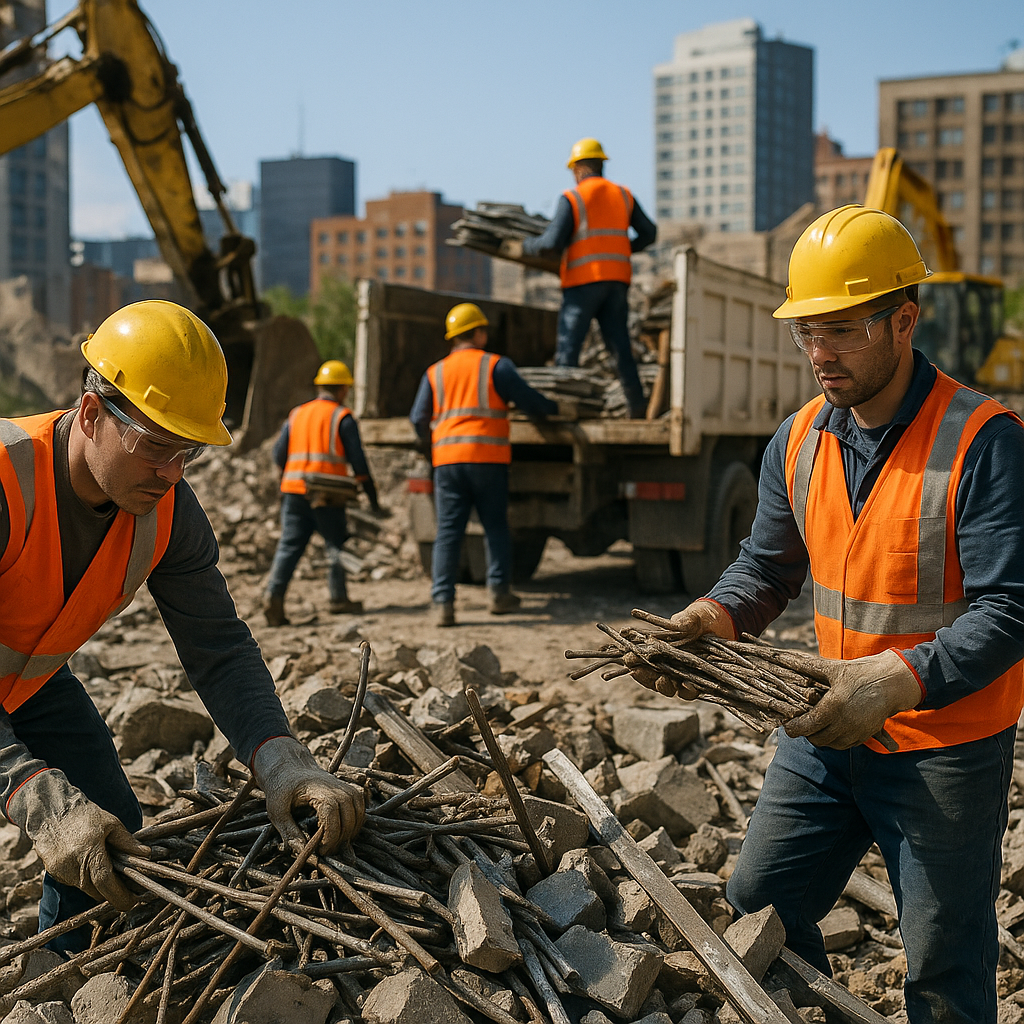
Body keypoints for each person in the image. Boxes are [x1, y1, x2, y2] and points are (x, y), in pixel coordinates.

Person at [629, 206, 1024, 1024]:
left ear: (904, 319)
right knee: (759, 898)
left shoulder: (985, 441)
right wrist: (708, 619)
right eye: (807, 331)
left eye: (840, 332)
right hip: (824, 732)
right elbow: (767, 569)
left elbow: (1014, 605)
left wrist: (899, 678)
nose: (818, 354)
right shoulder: (799, 438)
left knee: (944, 962)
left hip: (944, 746)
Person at [0, 300, 365, 954]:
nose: (171, 473)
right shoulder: (4, 477)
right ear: (90, 415)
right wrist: (35, 797)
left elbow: (218, 648)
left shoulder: (166, 511)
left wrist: (280, 757)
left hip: (26, 681)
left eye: (187, 451)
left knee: (106, 822)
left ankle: (57, 971)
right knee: (56, 808)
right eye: (156, 446)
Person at [409, 302, 558, 627]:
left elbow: (418, 417)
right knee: (495, 527)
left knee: (448, 532)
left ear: (453, 337)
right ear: (477, 333)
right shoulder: (496, 366)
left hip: (448, 462)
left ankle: (443, 604)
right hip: (487, 460)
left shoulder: (435, 372)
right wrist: (555, 408)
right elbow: (531, 402)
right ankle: (499, 595)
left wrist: (429, 446)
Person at [502, 137, 657, 419]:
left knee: (569, 346)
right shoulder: (623, 195)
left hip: (583, 282)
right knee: (620, 347)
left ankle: (563, 407)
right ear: (601, 165)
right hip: (617, 281)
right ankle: (637, 407)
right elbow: (649, 233)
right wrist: (623, 249)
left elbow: (551, 242)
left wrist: (523, 246)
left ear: (578, 169)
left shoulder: (573, 198)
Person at [263, 359, 381, 626]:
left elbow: (278, 454)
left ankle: (274, 596)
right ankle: (338, 598)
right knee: (335, 545)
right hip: (327, 494)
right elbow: (359, 463)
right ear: (343, 390)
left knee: (289, 546)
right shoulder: (342, 416)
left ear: (320, 387)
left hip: (294, 491)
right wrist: (372, 497)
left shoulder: (297, 414)